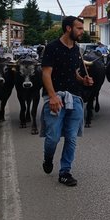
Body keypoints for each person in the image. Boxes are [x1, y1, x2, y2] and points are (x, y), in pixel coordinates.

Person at [40, 16, 93, 187]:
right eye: (79, 28)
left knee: (71, 138)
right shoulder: (52, 48)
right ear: (68, 28)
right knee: (53, 138)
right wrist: (53, 96)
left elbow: (74, 74)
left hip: (75, 98)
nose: (82, 31)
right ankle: (48, 158)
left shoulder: (77, 50)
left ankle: (65, 172)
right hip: (55, 98)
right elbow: (46, 73)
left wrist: (83, 80)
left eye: (82, 28)